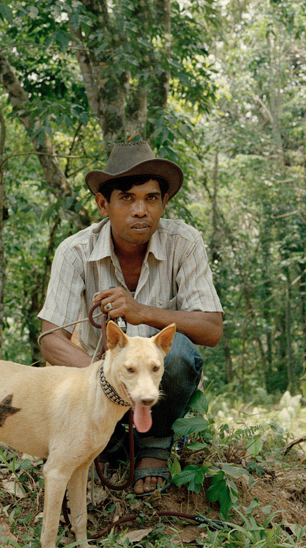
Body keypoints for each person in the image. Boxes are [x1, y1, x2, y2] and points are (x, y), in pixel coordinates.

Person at [38, 141, 223, 495]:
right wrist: (107, 378)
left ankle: (154, 446)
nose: (141, 210)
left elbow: (212, 329)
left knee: (180, 351)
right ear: (103, 204)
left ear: (164, 203)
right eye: (127, 198)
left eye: (151, 198)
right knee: (76, 383)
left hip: (161, 391)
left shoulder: (184, 242)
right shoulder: (75, 251)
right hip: (100, 388)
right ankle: (107, 445)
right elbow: (50, 340)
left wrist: (142, 312)